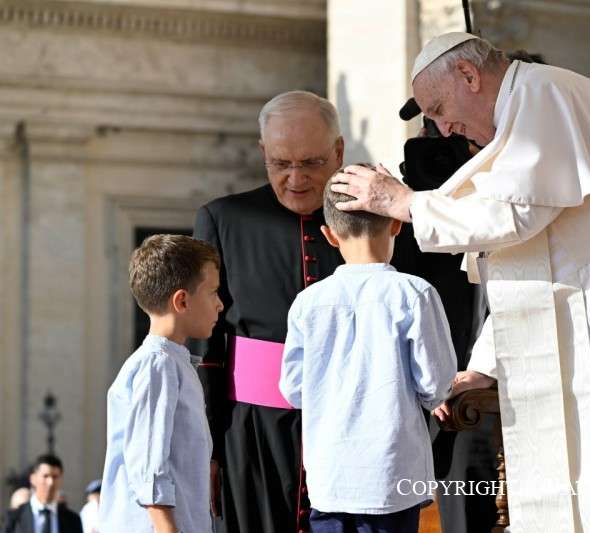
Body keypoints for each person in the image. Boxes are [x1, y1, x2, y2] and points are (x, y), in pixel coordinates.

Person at [331, 33, 590, 532]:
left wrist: (402, 203)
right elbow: (520, 266)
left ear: (470, 77)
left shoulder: (545, 92)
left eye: (439, 108)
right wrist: (484, 367)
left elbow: (513, 216)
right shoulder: (517, 119)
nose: (442, 127)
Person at [193, 91, 345, 533]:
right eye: (281, 164)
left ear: (338, 151)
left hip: (349, 426)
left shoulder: (373, 219)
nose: (295, 179)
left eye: (312, 163)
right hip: (251, 434)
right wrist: (209, 451)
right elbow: (207, 348)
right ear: (264, 153)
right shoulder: (224, 219)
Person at [279, 178, 457, 532]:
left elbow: (293, 389)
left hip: (329, 477)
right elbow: (435, 384)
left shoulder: (308, 302)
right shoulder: (414, 293)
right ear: (396, 223)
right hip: (391, 477)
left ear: (329, 235)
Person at [98, 235, 221, 533]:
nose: (220, 304)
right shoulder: (158, 364)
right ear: (182, 300)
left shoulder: (173, 362)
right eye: (213, 293)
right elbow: (149, 465)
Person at [3, 455, 82, 533]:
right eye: (45, 476)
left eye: (55, 477)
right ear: (33, 479)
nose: (50, 482)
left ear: (61, 480)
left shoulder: (72, 520)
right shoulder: (15, 518)